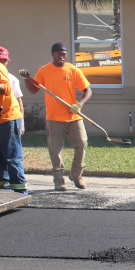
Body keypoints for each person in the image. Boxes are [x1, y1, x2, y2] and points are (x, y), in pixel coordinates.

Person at [22, 42, 92, 191]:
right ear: (53, 54)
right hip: (54, 117)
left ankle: (76, 175)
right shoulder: (44, 70)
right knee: (55, 149)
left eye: (64, 53)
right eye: (58, 53)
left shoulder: (73, 70)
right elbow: (33, 91)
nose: (61, 56)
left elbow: (88, 91)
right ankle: (59, 180)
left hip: (73, 115)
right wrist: (27, 79)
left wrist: (79, 104)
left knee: (81, 143)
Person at [0, 47, 27, 194]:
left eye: (4, 60)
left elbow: (7, 90)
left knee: (12, 156)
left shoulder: (7, 76)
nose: (2, 63)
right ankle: (3, 188)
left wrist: (21, 123)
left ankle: (20, 191)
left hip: (9, 117)